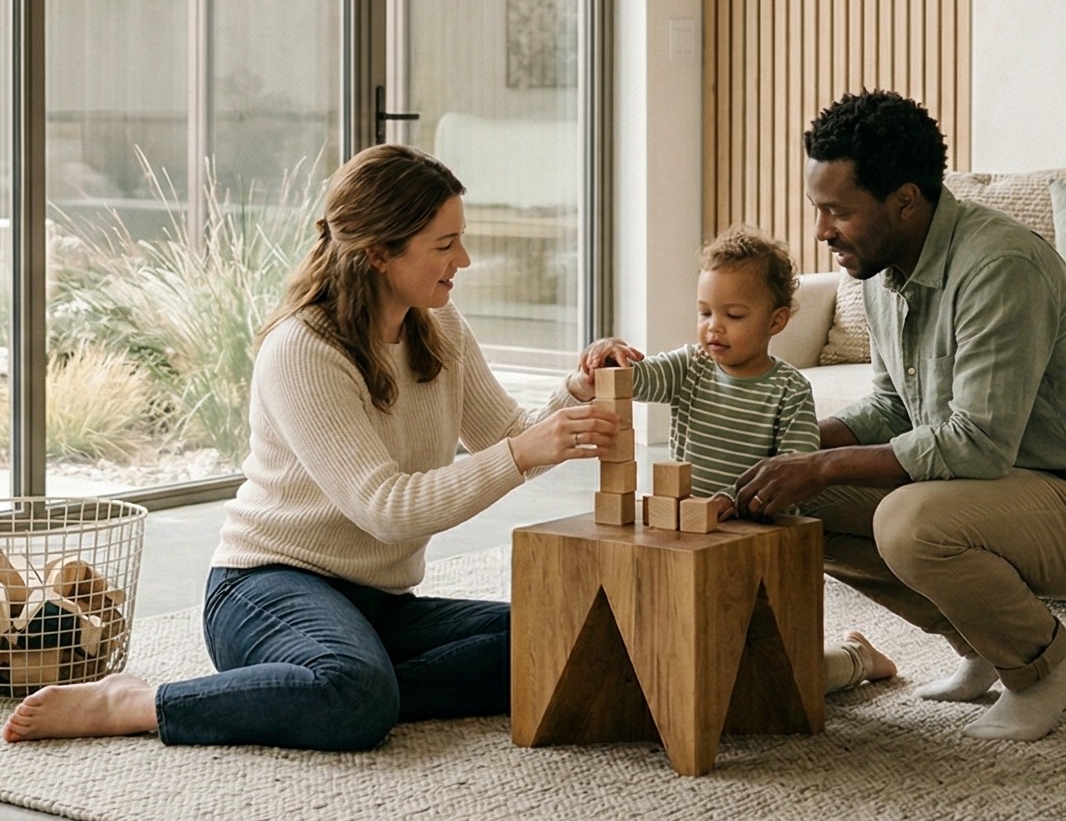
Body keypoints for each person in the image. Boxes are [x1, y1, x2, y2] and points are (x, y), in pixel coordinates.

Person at [3, 144, 620, 750]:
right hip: (265, 590)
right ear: (379, 253)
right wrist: (524, 451)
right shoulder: (303, 348)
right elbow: (387, 508)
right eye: (444, 244)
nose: (463, 258)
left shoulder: (440, 326)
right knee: (357, 694)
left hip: (379, 602)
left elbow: (507, 437)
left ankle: (326, 687)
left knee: (573, 637)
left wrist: (575, 392)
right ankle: (142, 702)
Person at [733, 90, 1066, 741]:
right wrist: (789, 446)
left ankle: (1046, 665)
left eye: (839, 211)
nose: (822, 232)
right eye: (818, 208)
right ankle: (983, 643)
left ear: (904, 200)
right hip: (997, 493)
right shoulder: (881, 272)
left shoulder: (999, 267)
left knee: (908, 521)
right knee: (796, 501)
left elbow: (977, 444)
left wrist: (822, 464)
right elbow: (892, 407)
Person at [568, 222, 895, 694]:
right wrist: (607, 355)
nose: (713, 327)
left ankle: (857, 657)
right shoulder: (690, 367)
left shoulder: (789, 390)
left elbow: (795, 476)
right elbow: (635, 378)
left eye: (734, 315)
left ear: (776, 322)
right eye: (704, 312)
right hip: (686, 531)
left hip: (754, 537)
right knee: (681, 649)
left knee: (776, 674)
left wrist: (734, 500)